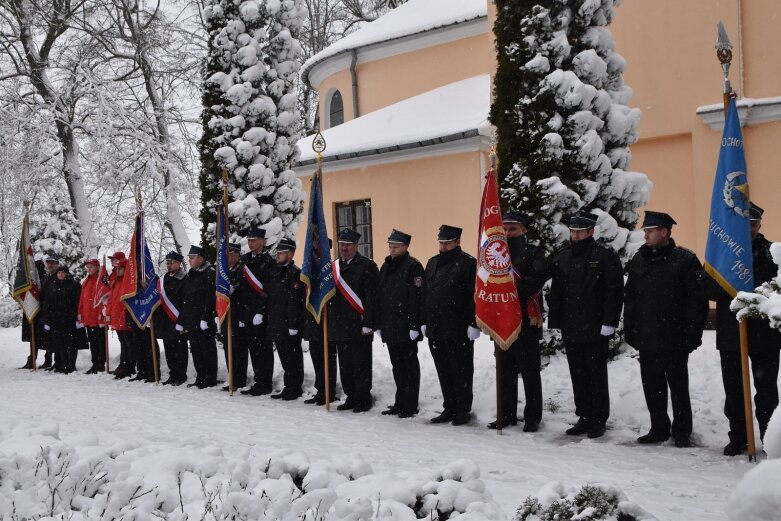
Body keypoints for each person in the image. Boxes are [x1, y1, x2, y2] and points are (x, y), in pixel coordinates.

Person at [624, 211, 708, 448]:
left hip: (675, 336)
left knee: (678, 387)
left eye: (649, 231)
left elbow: (696, 300)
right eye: (645, 232)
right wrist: (629, 327)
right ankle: (658, 428)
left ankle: (682, 431)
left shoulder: (684, 260)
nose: (646, 236)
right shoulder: (640, 258)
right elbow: (630, 296)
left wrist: (693, 332)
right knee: (652, 385)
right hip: (647, 334)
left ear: (664, 232)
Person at [705, 203, 780, 456]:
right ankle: (738, 437)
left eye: (753, 224)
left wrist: (755, 297)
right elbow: (709, 288)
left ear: (759, 226)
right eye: (743, 224)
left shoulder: (773, 254)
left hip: (765, 335)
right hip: (731, 331)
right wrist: (734, 290)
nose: (748, 229)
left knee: (767, 392)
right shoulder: (723, 254)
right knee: (734, 390)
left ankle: (770, 441)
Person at [547, 211, 623, 438]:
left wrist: (609, 322)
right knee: (578, 373)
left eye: (580, 231)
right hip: (572, 325)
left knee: (596, 373)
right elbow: (557, 292)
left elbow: (613, 291)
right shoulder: (564, 255)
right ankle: (584, 416)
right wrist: (557, 320)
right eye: (573, 231)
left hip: (595, 325)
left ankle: (599, 418)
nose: (576, 235)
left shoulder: (604, 255)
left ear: (591, 231)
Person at [491, 212, 550, 432]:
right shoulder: (496, 253)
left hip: (526, 318)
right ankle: (506, 414)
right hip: (502, 318)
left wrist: (509, 292)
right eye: (504, 229)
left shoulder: (534, 252)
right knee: (505, 369)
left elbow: (536, 280)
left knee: (529, 371)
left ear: (524, 230)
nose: (507, 233)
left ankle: (532, 417)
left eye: (512, 229)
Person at [422, 224, 479, 426]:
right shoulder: (432, 263)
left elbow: (475, 295)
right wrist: (424, 321)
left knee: (461, 369)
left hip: (458, 327)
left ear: (457, 242)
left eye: (448, 242)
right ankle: (449, 407)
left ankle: (462, 409)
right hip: (436, 327)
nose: (444, 246)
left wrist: (474, 323)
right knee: (443, 369)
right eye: (441, 242)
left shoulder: (467, 264)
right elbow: (426, 295)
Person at [328, 228, 380, 413]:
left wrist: (368, 323)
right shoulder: (334, 267)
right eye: (341, 244)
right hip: (339, 325)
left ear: (356, 246)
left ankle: (363, 398)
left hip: (358, 325)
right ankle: (351, 397)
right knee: (346, 366)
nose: (344, 248)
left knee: (361, 364)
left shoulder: (367, 266)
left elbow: (372, 297)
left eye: (348, 245)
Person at [377, 229, 424, 418]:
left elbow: (417, 297)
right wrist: (379, 323)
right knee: (397, 366)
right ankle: (400, 401)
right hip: (390, 325)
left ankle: (410, 404)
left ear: (405, 247)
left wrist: (415, 325)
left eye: (395, 246)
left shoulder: (414, 266)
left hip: (406, 326)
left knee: (409, 366)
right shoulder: (386, 265)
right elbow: (381, 296)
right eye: (390, 246)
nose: (392, 249)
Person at [265, 238, 305, 400]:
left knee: (293, 357)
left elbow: (295, 300)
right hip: (277, 322)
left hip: (289, 323)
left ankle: (295, 388)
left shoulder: (295, 273)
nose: (277, 256)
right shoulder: (276, 272)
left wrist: (294, 323)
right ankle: (288, 386)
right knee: (285, 357)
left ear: (290, 254)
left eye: (281, 253)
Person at [240, 228, 275, 396]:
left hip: (261, 315)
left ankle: (265, 383)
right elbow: (242, 288)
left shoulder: (268, 261)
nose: (251, 243)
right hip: (247, 312)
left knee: (264, 350)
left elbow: (268, 289)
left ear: (263, 241)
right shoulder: (245, 260)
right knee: (253, 349)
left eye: (254, 240)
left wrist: (261, 311)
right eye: (249, 240)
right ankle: (258, 380)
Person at [302, 240, 337, 406]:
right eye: (314, 250)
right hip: (313, 322)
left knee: (327, 359)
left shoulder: (332, 271)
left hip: (327, 323)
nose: (316, 253)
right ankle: (320, 389)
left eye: (320, 250)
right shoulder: (310, 272)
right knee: (317, 359)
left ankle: (329, 391)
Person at [179, 245, 217, 388]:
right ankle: (201, 376)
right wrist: (182, 320)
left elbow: (210, 298)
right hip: (192, 320)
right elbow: (186, 300)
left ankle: (210, 378)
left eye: (192, 257)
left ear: (201, 259)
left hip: (204, 320)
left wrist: (206, 318)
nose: (189, 260)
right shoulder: (191, 275)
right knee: (196, 351)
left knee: (207, 350)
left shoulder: (209, 274)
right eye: (189, 258)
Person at [155, 250, 189, 386]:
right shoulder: (164, 279)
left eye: (172, 262)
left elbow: (185, 302)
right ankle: (172, 374)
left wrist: (181, 321)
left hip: (177, 319)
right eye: (167, 262)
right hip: (165, 320)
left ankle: (180, 375)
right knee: (169, 348)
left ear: (179, 263)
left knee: (180, 349)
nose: (169, 265)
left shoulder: (184, 279)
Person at [40, 265, 82, 373]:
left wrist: (74, 315)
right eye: (59, 273)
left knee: (71, 343)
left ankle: (70, 365)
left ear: (67, 274)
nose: (61, 274)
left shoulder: (74, 285)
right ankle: (59, 364)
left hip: (70, 319)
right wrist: (47, 317)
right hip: (56, 319)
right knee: (58, 342)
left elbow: (77, 301)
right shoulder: (52, 286)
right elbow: (47, 303)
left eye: (63, 273)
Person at [221, 243, 248, 390]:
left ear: (238, 255)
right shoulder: (223, 272)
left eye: (232, 254)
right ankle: (232, 378)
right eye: (227, 254)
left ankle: (240, 379)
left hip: (239, 314)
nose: (229, 257)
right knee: (228, 347)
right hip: (226, 314)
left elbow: (246, 292)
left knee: (239, 349)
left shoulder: (242, 270)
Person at [106, 253, 134, 379]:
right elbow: (111, 300)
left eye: (120, 268)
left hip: (125, 318)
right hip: (117, 318)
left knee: (129, 344)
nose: (117, 271)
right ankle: (123, 364)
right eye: (116, 269)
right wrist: (109, 315)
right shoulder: (116, 282)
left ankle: (129, 366)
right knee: (123, 343)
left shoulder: (128, 283)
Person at [78, 258, 107, 374]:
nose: (89, 269)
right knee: (92, 342)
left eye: (91, 267)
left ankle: (101, 363)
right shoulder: (85, 281)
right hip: (88, 317)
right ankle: (95, 363)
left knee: (100, 341)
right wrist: (80, 313)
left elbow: (104, 298)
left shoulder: (101, 280)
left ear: (97, 267)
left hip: (98, 317)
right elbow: (82, 299)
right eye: (87, 267)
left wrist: (103, 314)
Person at [19, 259, 48, 369]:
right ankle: (32, 360)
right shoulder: (29, 280)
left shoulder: (45, 279)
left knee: (45, 337)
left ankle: (47, 360)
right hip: (31, 311)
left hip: (42, 312)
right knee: (33, 338)